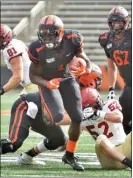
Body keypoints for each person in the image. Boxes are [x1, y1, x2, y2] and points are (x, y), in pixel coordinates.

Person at [28, 15, 92, 171]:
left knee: (77, 118)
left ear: (61, 33)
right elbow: (33, 76)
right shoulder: (36, 48)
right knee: (56, 116)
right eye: (44, 34)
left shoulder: (73, 39)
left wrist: (86, 68)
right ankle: (44, 105)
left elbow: (84, 58)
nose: (47, 37)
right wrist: (46, 84)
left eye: (51, 34)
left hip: (66, 77)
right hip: (47, 82)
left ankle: (69, 155)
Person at [1, 92, 66, 165]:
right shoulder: (69, 88)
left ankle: (27, 157)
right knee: (13, 143)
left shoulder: (77, 95)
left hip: (43, 114)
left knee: (58, 139)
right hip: (28, 106)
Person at [98, 6, 131, 134]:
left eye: (119, 22)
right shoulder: (106, 40)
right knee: (124, 116)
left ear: (126, 22)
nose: (117, 25)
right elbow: (111, 67)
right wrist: (111, 89)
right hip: (129, 83)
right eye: (114, 22)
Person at [80, 87, 131, 169]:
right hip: (108, 160)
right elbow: (71, 130)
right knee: (101, 138)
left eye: (93, 106)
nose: (92, 109)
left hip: (125, 149)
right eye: (89, 107)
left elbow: (119, 118)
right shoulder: (83, 120)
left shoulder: (109, 105)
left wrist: (98, 113)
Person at [0, 24, 37, 96]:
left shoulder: (10, 49)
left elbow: (18, 78)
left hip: (34, 85)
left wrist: (2, 90)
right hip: (33, 83)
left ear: (6, 36)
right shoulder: (15, 42)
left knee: (19, 106)